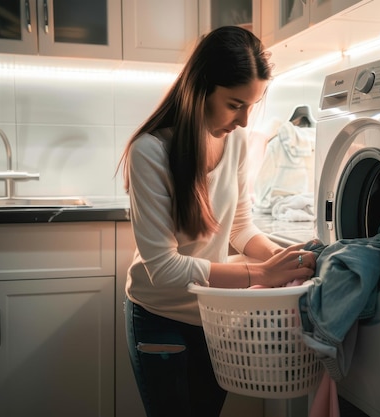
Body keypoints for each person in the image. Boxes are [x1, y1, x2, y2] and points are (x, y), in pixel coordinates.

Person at [117, 26, 316, 417]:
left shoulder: (237, 142)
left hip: (215, 317)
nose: (243, 120)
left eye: (250, 107)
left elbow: (240, 226)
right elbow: (164, 268)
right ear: (200, 89)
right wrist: (259, 272)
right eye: (234, 104)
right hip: (160, 317)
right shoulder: (151, 151)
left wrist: (284, 261)